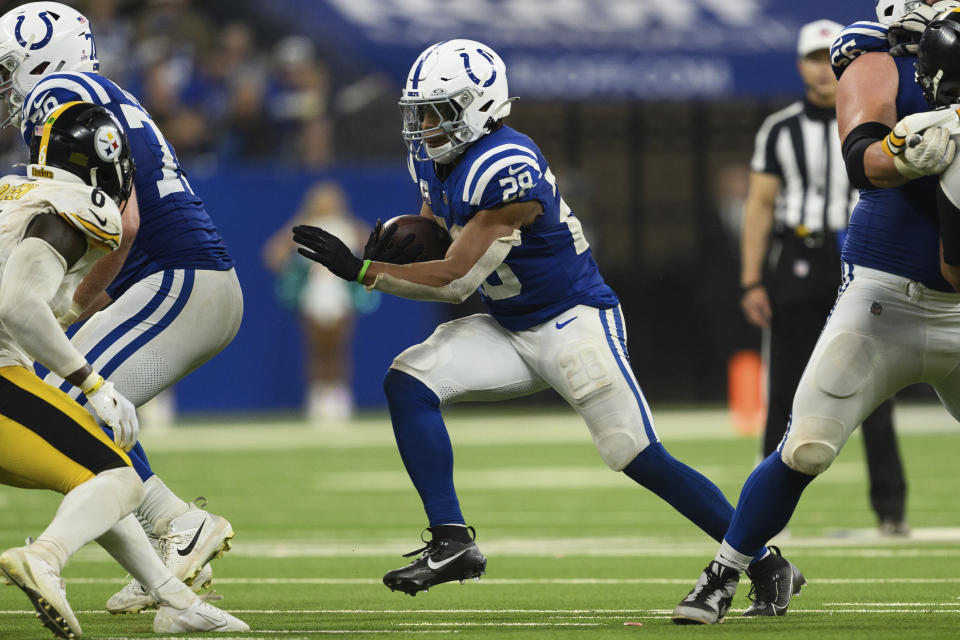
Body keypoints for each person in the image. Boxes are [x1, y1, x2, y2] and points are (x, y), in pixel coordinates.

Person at [292, 39, 803, 605]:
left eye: (437, 111)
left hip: (572, 323)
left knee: (636, 455)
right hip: (508, 324)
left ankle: (765, 563)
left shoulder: (506, 165)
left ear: (478, 107)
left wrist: (365, 270)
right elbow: (440, 224)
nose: (424, 125)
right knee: (408, 381)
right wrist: (409, 235)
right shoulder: (436, 158)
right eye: (421, 112)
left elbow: (458, 278)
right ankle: (452, 539)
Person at [671, 0, 960, 624]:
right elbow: (862, 158)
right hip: (887, 298)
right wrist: (909, 154)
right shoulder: (879, 51)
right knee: (805, 444)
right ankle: (726, 571)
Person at [0, 2, 242, 613]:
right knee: (68, 412)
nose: (7, 82)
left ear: (40, 56)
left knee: (63, 406)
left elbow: (121, 218)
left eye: (9, 66)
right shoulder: (98, 89)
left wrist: (74, 302)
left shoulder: (56, 94)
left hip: (176, 278)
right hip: (180, 278)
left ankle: (168, 527)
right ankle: (172, 544)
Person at [741, 19, 909, 535]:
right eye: (813, 59)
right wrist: (751, 280)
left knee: (875, 387)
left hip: (864, 251)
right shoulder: (780, 128)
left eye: (828, 58)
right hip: (801, 256)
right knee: (786, 387)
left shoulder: (880, 119)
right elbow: (760, 206)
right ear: (800, 66)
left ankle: (891, 510)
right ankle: (767, 518)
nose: (821, 69)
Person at [263, 182, 366, 421]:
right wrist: (292, 271)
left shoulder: (347, 226)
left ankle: (340, 397)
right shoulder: (304, 228)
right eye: (322, 200)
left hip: (341, 298)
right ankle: (318, 397)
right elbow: (273, 253)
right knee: (316, 351)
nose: (326, 205)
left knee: (339, 350)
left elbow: (372, 243)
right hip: (313, 298)